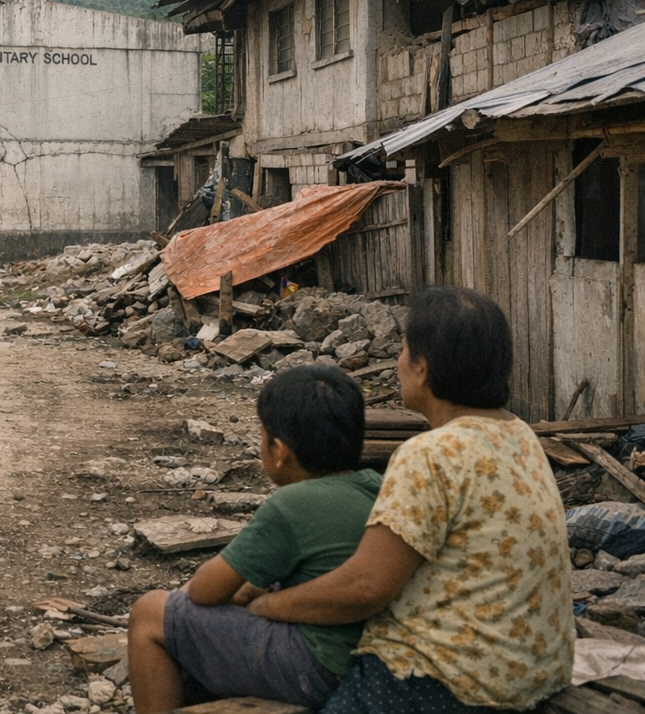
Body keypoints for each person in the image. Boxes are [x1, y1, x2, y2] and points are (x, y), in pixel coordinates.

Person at [247, 287, 573, 713]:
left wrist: (267, 605)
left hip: (451, 681)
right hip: (535, 668)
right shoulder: (519, 434)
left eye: (402, 352)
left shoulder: (429, 454)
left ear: (421, 369)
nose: (398, 363)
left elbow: (366, 589)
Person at [127, 365, 381, 712]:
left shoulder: (291, 505)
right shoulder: (374, 487)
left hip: (312, 665)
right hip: (360, 661)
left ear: (279, 451)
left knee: (150, 613)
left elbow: (205, 590)